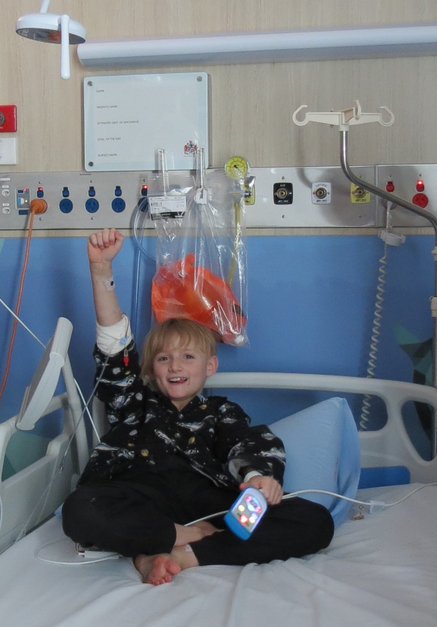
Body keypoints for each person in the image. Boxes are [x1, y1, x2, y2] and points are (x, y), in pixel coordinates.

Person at [62, 228, 333, 585]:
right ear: (150, 369)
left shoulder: (220, 412)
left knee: (315, 521)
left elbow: (248, 444)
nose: (175, 366)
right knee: (80, 510)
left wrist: (258, 480)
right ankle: (173, 539)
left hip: (208, 502)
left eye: (188, 357)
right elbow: (114, 348)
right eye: (164, 358)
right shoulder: (134, 403)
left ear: (210, 367)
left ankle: (177, 556)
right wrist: (101, 272)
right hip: (140, 497)